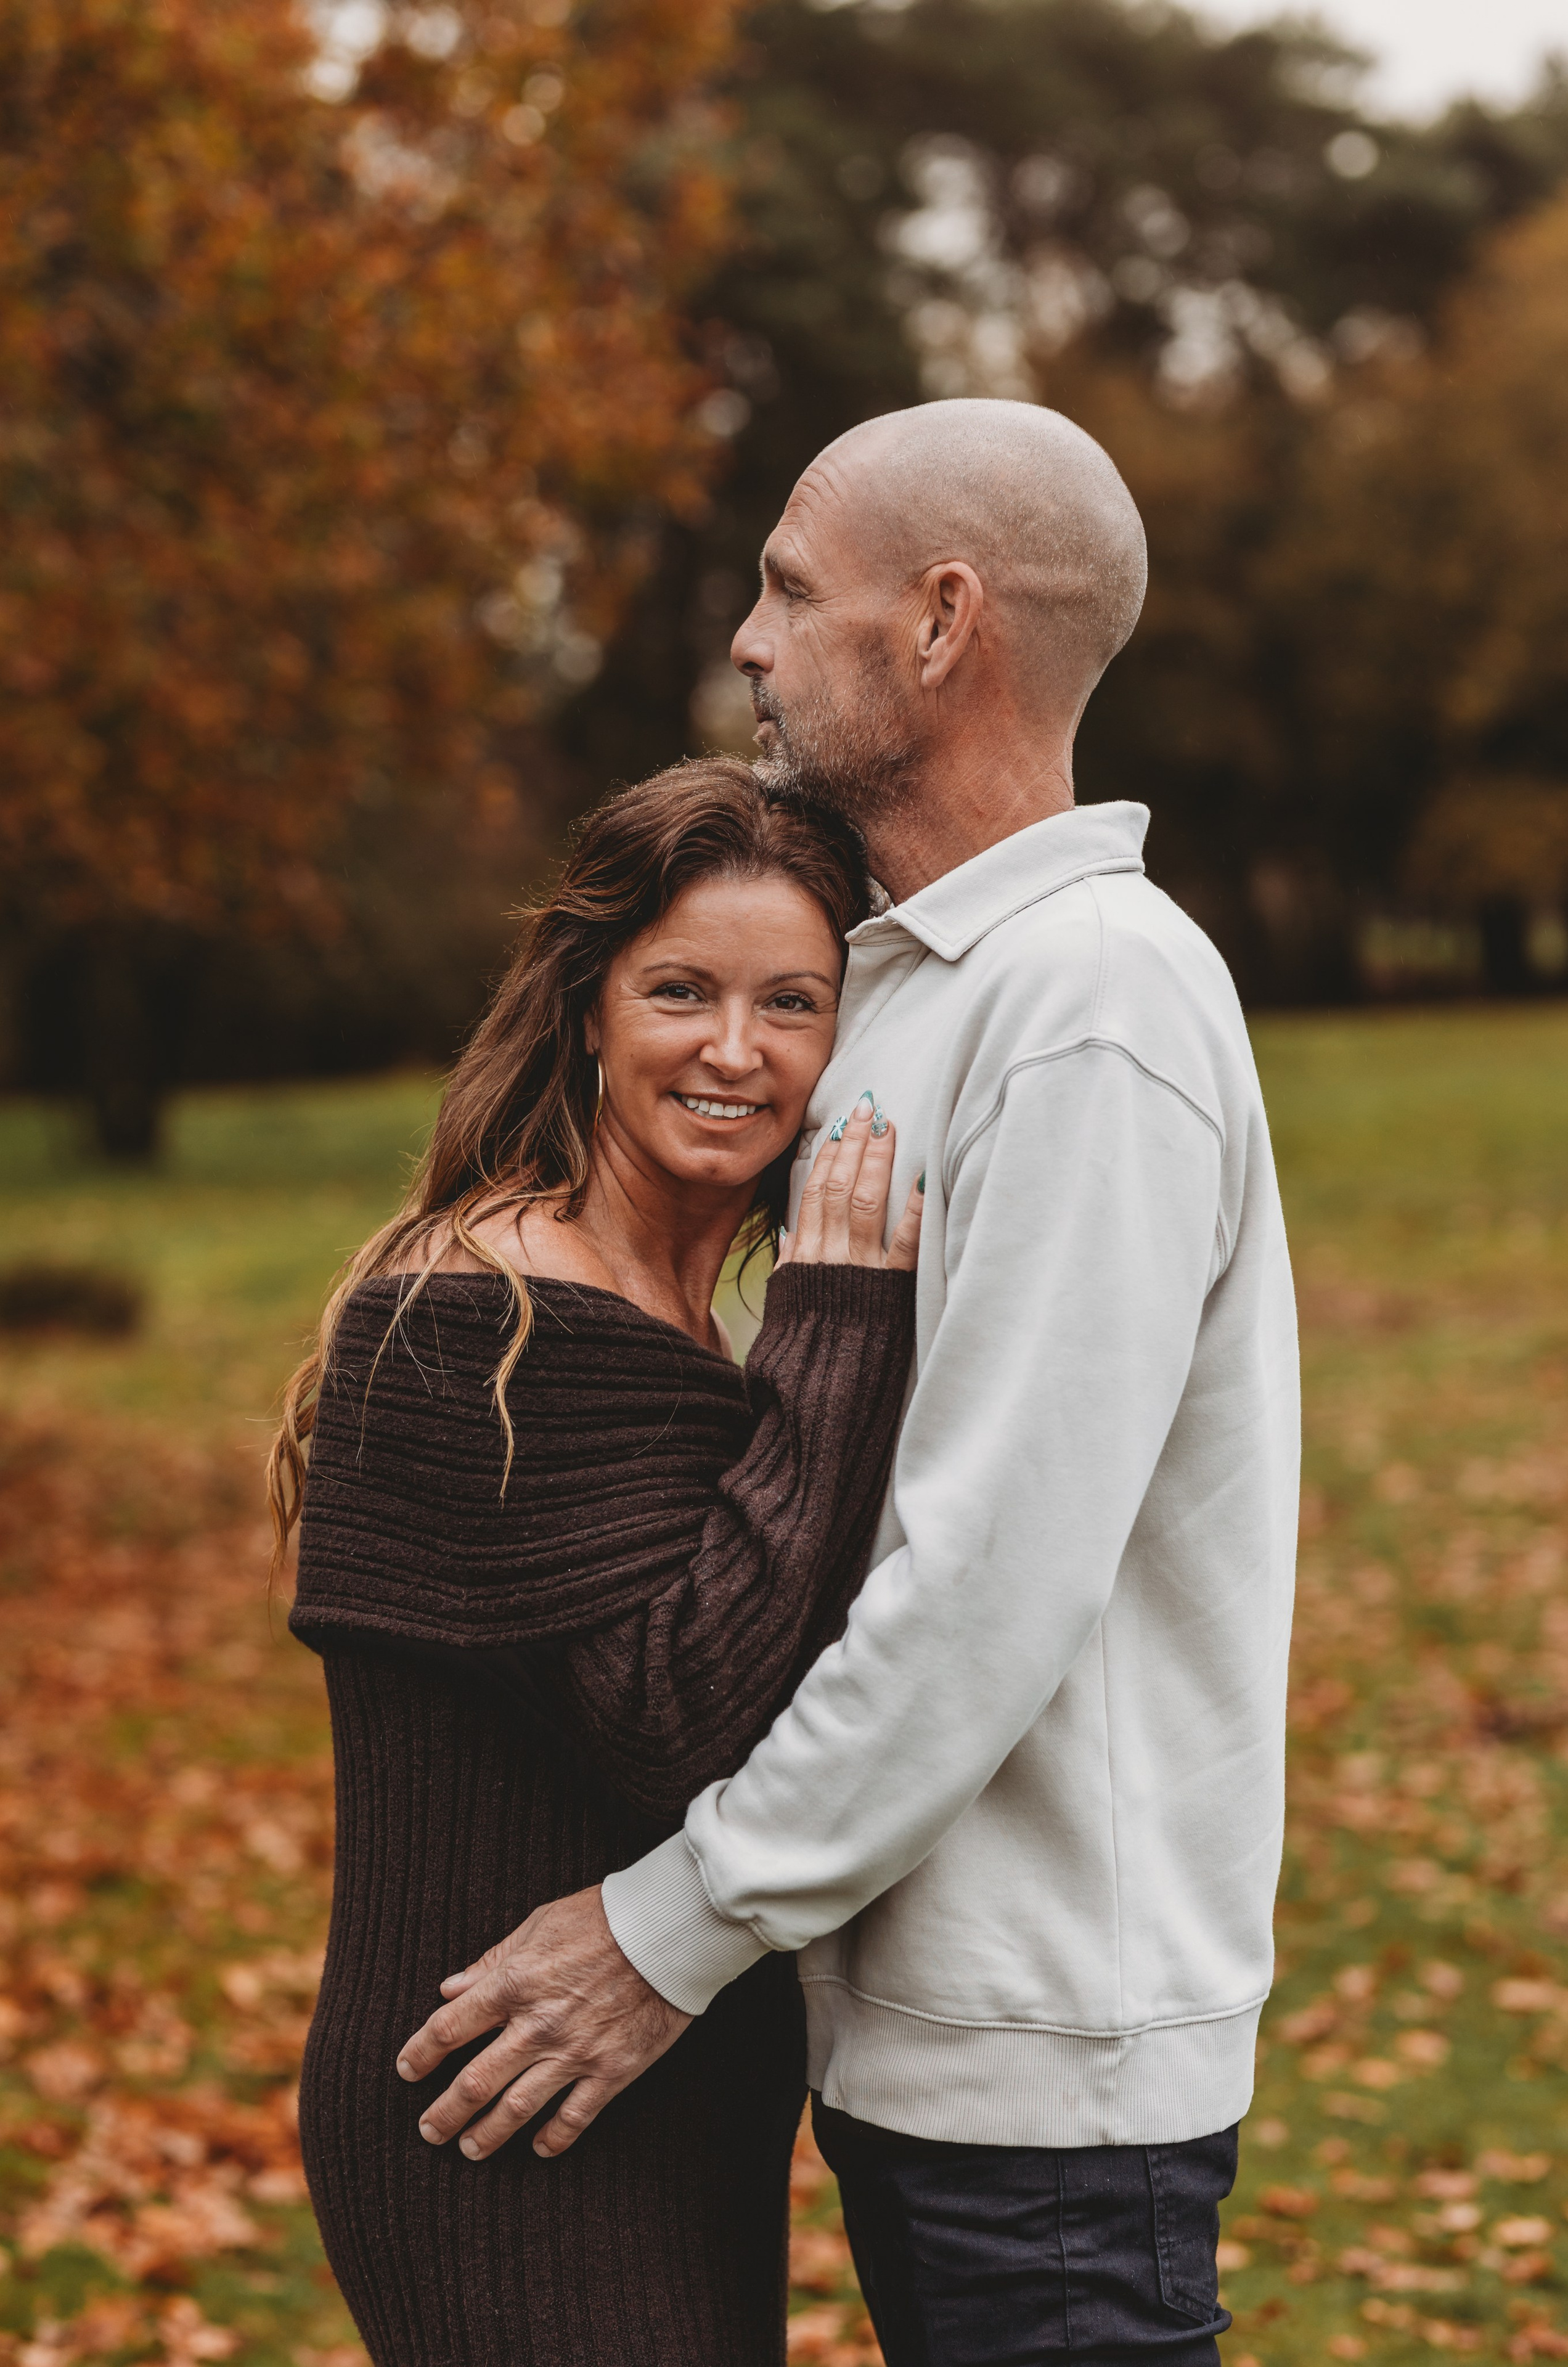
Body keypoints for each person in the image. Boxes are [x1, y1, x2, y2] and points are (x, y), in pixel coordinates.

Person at [398, 399, 1301, 2366]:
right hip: (912, 2027)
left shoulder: (1092, 1007)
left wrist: (672, 1929)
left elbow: (990, 1574)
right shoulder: (919, 985)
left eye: (790, 588)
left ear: (941, 622)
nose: (747, 638)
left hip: (1048, 2057)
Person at [269, 759, 923, 2367]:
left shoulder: (681, 1321)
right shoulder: (482, 1312)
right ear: (588, 1008)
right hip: (499, 2104)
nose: (733, 1048)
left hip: (661, 2085)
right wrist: (840, 1329)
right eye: (679, 990)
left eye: (795, 1002)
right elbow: (682, 1716)